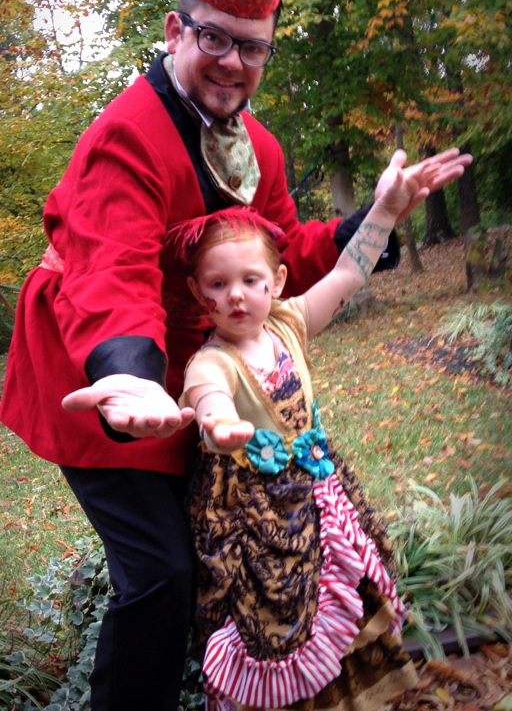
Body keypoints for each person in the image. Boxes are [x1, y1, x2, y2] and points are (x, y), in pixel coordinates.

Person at [0, 0, 473, 709]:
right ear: (174, 31)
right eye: (213, 37)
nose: (232, 61)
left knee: (241, 544)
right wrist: (127, 375)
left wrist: (379, 215)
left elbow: (283, 257)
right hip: (99, 375)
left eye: (251, 46)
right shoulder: (127, 134)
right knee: (162, 573)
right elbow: (111, 268)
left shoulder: (261, 149)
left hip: (198, 378)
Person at [177, 151, 466, 711]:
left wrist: (385, 209)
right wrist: (220, 425)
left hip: (318, 493)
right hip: (259, 518)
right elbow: (209, 401)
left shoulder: (290, 322)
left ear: (278, 281)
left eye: (251, 280)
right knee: (283, 616)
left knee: (343, 592)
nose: (236, 294)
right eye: (218, 282)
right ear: (197, 291)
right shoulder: (212, 361)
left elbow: (350, 273)